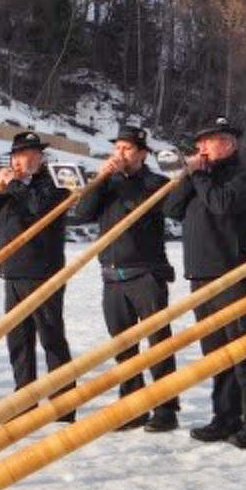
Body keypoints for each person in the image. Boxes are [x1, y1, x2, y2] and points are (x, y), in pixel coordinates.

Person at [165, 117, 246, 449]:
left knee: (243, 352)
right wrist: (187, 176)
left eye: (209, 142)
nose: (202, 149)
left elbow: (222, 205)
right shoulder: (200, 178)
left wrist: (198, 175)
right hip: (200, 275)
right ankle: (225, 417)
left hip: (232, 276)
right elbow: (171, 208)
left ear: (230, 144)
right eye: (200, 143)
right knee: (215, 354)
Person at [76, 125, 179, 433]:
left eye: (127, 149)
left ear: (142, 153)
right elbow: (82, 213)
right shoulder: (106, 184)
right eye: (117, 149)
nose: (120, 154)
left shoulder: (154, 182)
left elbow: (167, 206)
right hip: (112, 274)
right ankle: (132, 405)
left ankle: (165, 408)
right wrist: (101, 179)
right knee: (122, 345)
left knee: (158, 342)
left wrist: (126, 179)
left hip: (146, 273)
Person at [0, 131, 74, 419]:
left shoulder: (54, 183)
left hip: (43, 271)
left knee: (51, 336)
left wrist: (17, 184)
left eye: (32, 154)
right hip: (12, 271)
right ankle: (24, 397)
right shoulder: (10, 187)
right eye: (20, 155)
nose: (26, 160)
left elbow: (37, 207)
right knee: (19, 339)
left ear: (41, 158)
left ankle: (64, 402)